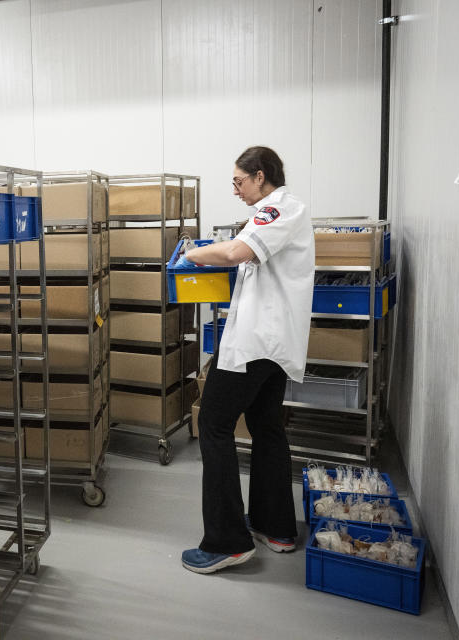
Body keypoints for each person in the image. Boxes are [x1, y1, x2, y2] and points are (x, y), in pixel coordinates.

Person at [174, 146, 314, 574]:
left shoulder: (278, 210)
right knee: (265, 425)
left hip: (257, 343)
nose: (235, 190)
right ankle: (276, 527)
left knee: (213, 424)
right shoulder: (277, 212)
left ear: (259, 175)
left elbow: (236, 253)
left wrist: (192, 253)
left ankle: (226, 541)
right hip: (272, 344)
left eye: (238, 181)